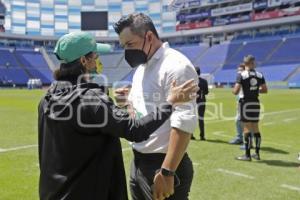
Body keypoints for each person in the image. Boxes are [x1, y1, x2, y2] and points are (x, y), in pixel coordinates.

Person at [38, 31, 198, 200]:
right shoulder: (90, 99)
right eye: (96, 56)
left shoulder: (46, 100)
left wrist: (126, 104)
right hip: (87, 191)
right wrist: (170, 102)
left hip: (54, 192)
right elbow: (135, 130)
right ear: (84, 61)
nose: (99, 61)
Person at [114, 13, 198, 200]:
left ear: (149, 37)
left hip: (163, 165)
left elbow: (184, 122)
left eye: (130, 44)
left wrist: (167, 172)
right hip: (139, 161)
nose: (127, 51)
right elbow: (139, 114)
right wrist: (127, 103)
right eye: (124, 46)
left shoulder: (176, 66)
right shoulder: (142, 68)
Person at [233, 55, 268, 161]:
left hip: (245, 103)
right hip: (255, 103)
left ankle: (247, 155)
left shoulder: (241, 75)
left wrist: (235, 90)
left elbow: (235, 91)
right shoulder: (259, 74)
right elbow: (265, 90)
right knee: (256, 128)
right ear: (252, 63)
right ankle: (257, 153)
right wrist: (255, 90)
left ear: (245, 64)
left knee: (247, 128)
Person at [229, 64, 245, 145]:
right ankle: (243, 139)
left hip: (244, 101)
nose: (239, 72)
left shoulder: (242, 78)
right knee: (243, 120)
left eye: (240, 70)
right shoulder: (243, 78)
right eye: (238, 70)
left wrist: (234, 90)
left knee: (240, 120)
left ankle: (241, 138)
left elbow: (235, 91)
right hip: (242, 101)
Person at [191, 67, 208, 141]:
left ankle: (191, 135)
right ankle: (202, 135)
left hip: (192, 101)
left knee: (191, 117)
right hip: (202, 100)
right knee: (201, 118)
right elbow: (207, 92)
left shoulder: (191, 81)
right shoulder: (204, 81)